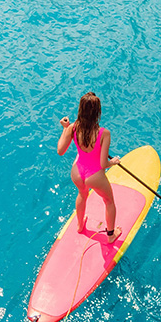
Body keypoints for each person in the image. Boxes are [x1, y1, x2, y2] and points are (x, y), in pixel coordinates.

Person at [57, 92, 122, 243]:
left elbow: (60, 151)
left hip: (77, 172)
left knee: (82, 193)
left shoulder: (73, 127)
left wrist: (65, 129)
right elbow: (102, 164)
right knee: (109, 201)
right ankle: (111, 235)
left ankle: (80, 226)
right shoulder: (104, 133)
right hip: (95, 176)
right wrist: (114, 162)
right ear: (97, 112)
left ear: (81, 109)